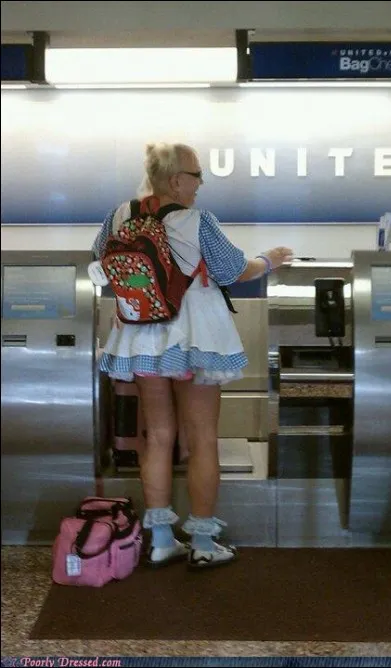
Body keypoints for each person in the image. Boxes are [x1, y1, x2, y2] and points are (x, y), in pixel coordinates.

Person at [92, 142, 293, 570]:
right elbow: (232, 271)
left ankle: (162, 539)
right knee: (202, 438)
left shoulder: (120, 214)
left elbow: (100, 259)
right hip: (196, 335)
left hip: (142, 335)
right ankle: (203, 541)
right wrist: (269, 260)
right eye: (197, 175)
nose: (200, 183)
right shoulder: (199, 220)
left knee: (158, 436)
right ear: (175, 180)